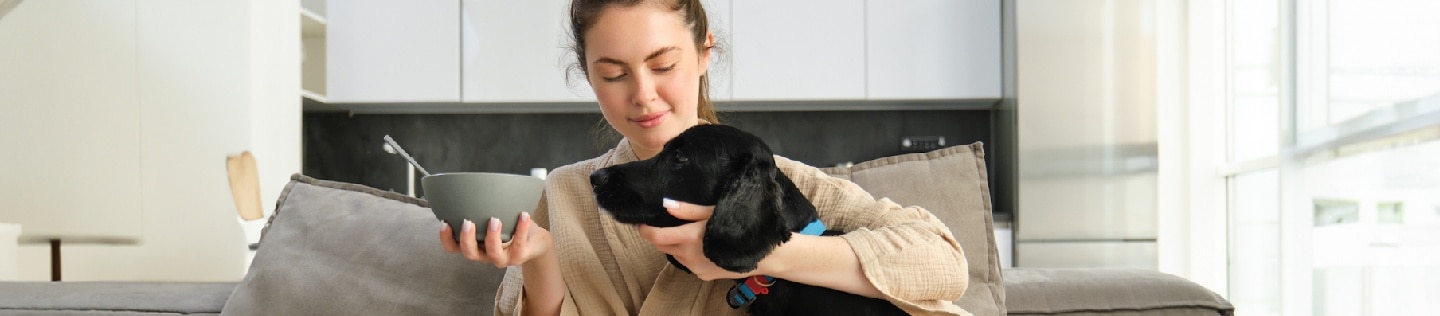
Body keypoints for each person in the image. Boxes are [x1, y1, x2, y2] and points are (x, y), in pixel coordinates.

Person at [438, 0, 971, 315]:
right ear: (588, 75)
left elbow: (942, 262)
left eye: (662, 64)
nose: (642, 94)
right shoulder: (566, 194)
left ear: (703, 53)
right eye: (614, 74)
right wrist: (539, 259)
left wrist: (763, 254)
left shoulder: (780, 181)